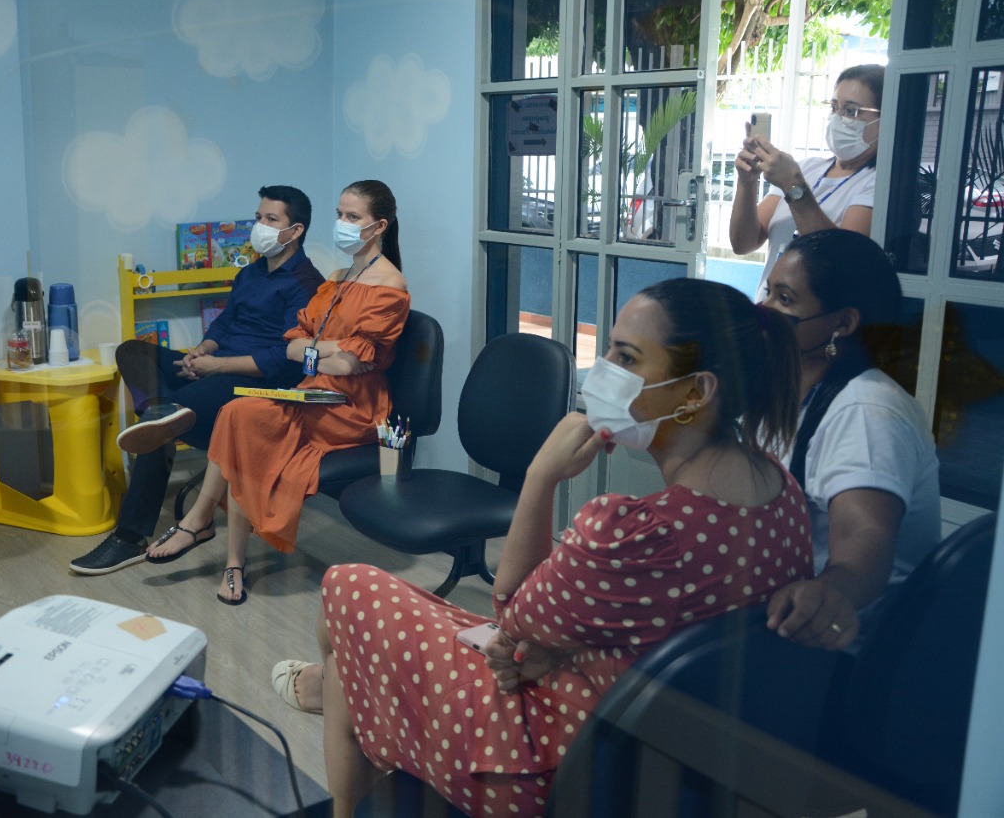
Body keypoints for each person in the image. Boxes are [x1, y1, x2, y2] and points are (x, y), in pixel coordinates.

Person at [270, 278, 813, 817]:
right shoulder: (783, 495)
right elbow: (653, 625)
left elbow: (510, 615)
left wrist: (540, 475)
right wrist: (557, 646)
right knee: (348, 665)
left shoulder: (633, 530)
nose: (601, 371)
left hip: (554, 763)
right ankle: (341, 691)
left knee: (346, 584)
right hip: (660, 756)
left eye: (626, 357)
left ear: (696, 392)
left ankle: (338, 695)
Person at [164, 179, 409, 605]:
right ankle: (230, 560)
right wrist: (321, 352)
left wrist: (314, 352)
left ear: (379, 226)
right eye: (339, 215)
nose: (342, 224)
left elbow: (351, 364)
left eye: (353, 217)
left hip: (353, 406)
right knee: (238, 414)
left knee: (244, 421)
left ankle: (201, 526)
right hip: (314, 391)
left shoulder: (391, 286)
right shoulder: (336, 278)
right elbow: (294, 339)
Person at [69, 185, 325, 575]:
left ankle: (128, 536)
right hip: (214, 368)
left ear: (296, 231)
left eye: (271, 220)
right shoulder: (251, 272)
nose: (260, 226)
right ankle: (166, 416)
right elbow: (225, 321)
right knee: (133, 351)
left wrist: (218, 367)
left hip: (252, 384)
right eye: (258, 218)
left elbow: (284, 362)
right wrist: (202, 350)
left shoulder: (307, 285)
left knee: (155, 426)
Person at [762, 229, 940, 650]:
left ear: (843, 323)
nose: (764, 310)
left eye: (784, 300)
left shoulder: (867, 412)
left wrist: (832, 593)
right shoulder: (786, 389)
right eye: (767, 293)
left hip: (843, 648)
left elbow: (865, 545)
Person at [730, 64, 884, 301]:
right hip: (768, 313)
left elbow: (842, 261)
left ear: (884, 119)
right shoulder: (808, 168)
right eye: (834, 108)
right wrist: (747, 182)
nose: (838, 119)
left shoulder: (876, 183)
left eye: (852, 111)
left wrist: (793, 187)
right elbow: (743, 243)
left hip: (814, 326)